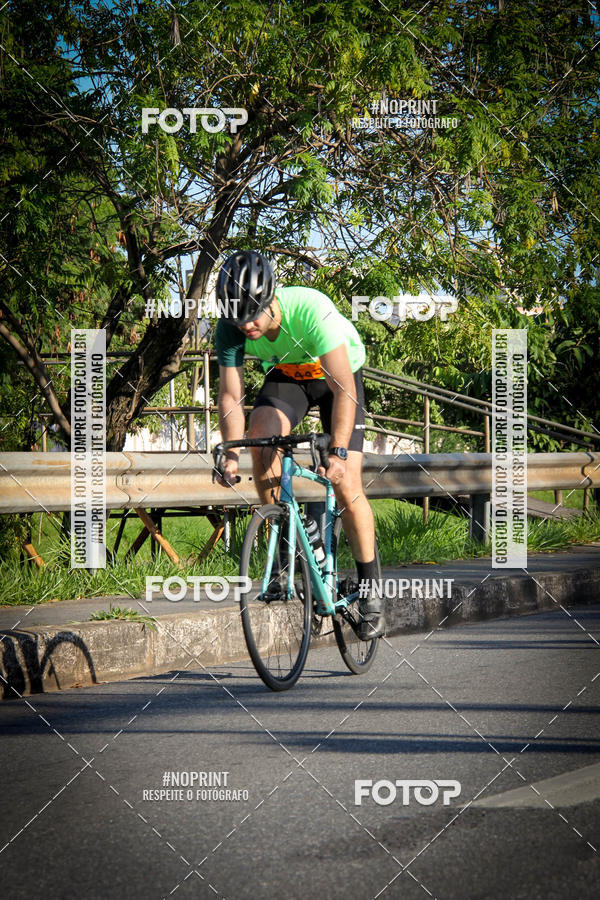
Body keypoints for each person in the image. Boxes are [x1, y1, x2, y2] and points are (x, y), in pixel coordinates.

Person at [214, 249, 385, 640]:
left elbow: (344, 389)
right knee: (260, 433)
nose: (245, 327)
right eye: (236, 320)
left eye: (251, 316)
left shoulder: (311, 309)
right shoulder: (230, 328)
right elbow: (229, 396)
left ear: (271, 298)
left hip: (337, 378)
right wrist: (232, 452)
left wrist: (339, 451)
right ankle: (283, 547)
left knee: (346, 484)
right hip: (288, 376)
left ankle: (373, 590)